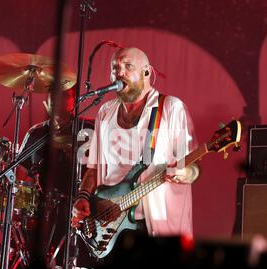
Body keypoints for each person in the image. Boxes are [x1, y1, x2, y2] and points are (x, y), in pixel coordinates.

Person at [71, 47, 200, 237]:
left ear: (146, 72)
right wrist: (83, 196)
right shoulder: (105, 112)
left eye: (128, 66)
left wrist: (184, 172)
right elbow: (95, 167)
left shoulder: (171, 108)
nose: (119, 73)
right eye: (115, 68)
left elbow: (195, 167)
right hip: (110, 227)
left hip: (156, 226)